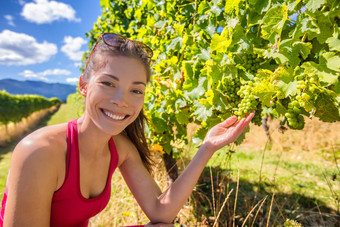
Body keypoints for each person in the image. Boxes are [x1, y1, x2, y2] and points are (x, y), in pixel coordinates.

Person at [0, 33, 254, 227]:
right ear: (84, 85)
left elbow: (161, 211)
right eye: (109, 83)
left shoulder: (119, 148)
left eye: (136, 90)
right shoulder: (39, 152)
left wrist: (206, 148)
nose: (122, 101)